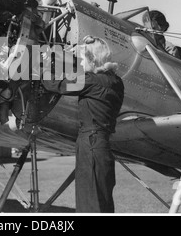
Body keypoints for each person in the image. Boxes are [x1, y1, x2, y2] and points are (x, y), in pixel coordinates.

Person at [41, 36, 124, 213]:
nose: (81, 64)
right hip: (103, 146)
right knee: (102, 203)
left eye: (82, 60)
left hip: (90, 144)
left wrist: (47, 61)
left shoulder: (91, 81)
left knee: (89, 204)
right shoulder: (117, 83)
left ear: (92, 59)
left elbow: (55, 85)